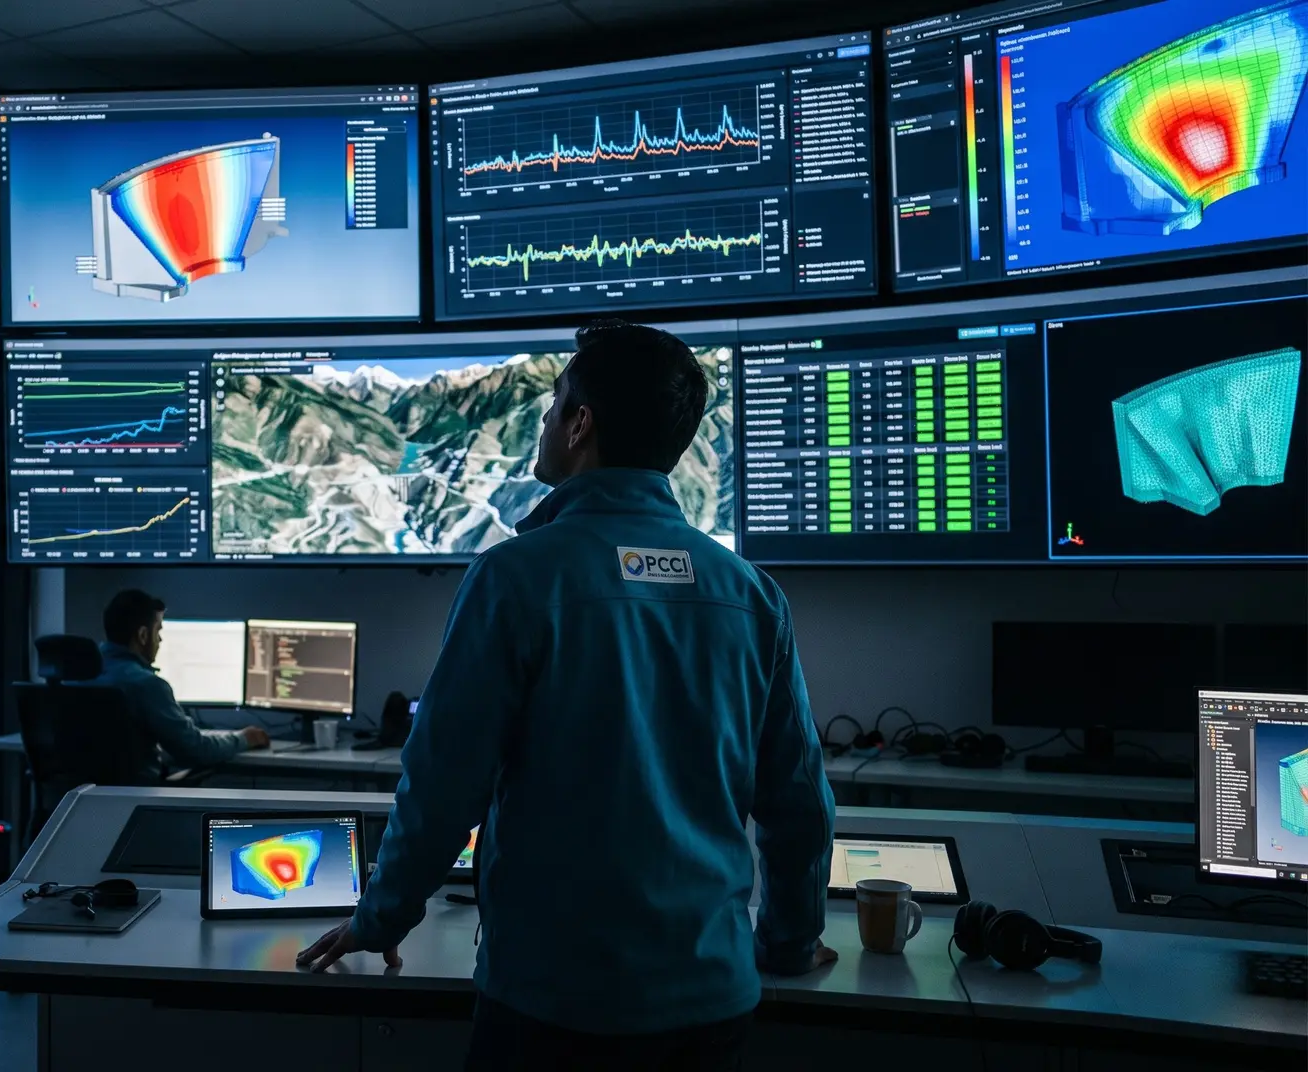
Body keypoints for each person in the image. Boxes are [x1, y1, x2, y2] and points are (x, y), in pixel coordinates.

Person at [297, 320, 836, 1070]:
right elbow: (799, 802)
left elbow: (445, 785)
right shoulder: (750, 593)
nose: (545, 424)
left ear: (582, 424)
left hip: (553, 1006)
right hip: (711, 1004)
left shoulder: (517, 577)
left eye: (552, 409)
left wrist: (382, 919)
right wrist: (789, 942)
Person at [95, 589, 270, 781]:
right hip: (137, 797)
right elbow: (197, 751)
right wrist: (246, 738)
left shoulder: (77, 673)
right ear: (143, 635)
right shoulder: (147, 685)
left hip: (77, 799)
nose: (160, 640)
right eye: (158, 630)